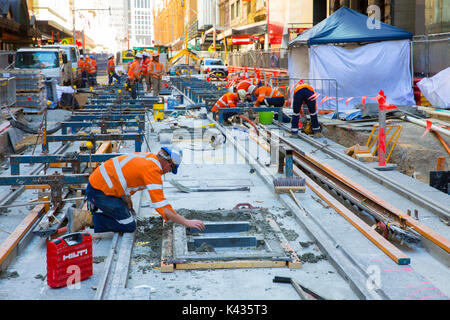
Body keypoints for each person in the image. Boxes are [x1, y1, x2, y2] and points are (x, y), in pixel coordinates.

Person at [67, 147, 205, 233]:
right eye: (171, 169)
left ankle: (96, 212)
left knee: (129, 215)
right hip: (100, 192)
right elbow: (162, 207)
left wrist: (127, 201)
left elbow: (126, 176)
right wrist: (186, 222)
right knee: (129, 225)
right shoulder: (153, 170)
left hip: (101, 185)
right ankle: (83, 218)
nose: (168, 172)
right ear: (168, 163)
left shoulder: (149, 157)